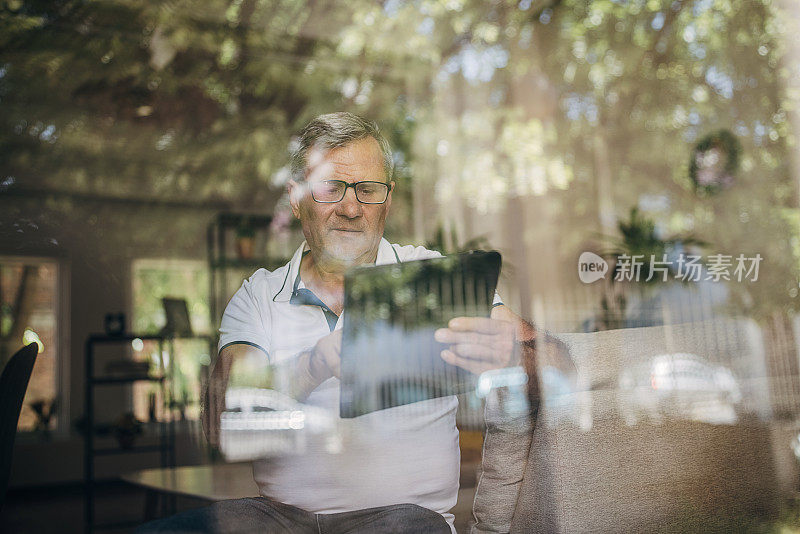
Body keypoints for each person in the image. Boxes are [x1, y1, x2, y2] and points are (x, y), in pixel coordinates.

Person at [137, 112, 538, 534]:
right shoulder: (259, 295)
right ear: (296, 198)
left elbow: (550, 363)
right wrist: (313, 365)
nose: (351, 208)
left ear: (388, 198)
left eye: (367, 190)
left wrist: (514, 353)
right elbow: (222, 419)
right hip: (281, 520)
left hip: (402, 519)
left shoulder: (434, 278)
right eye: (331, 188)